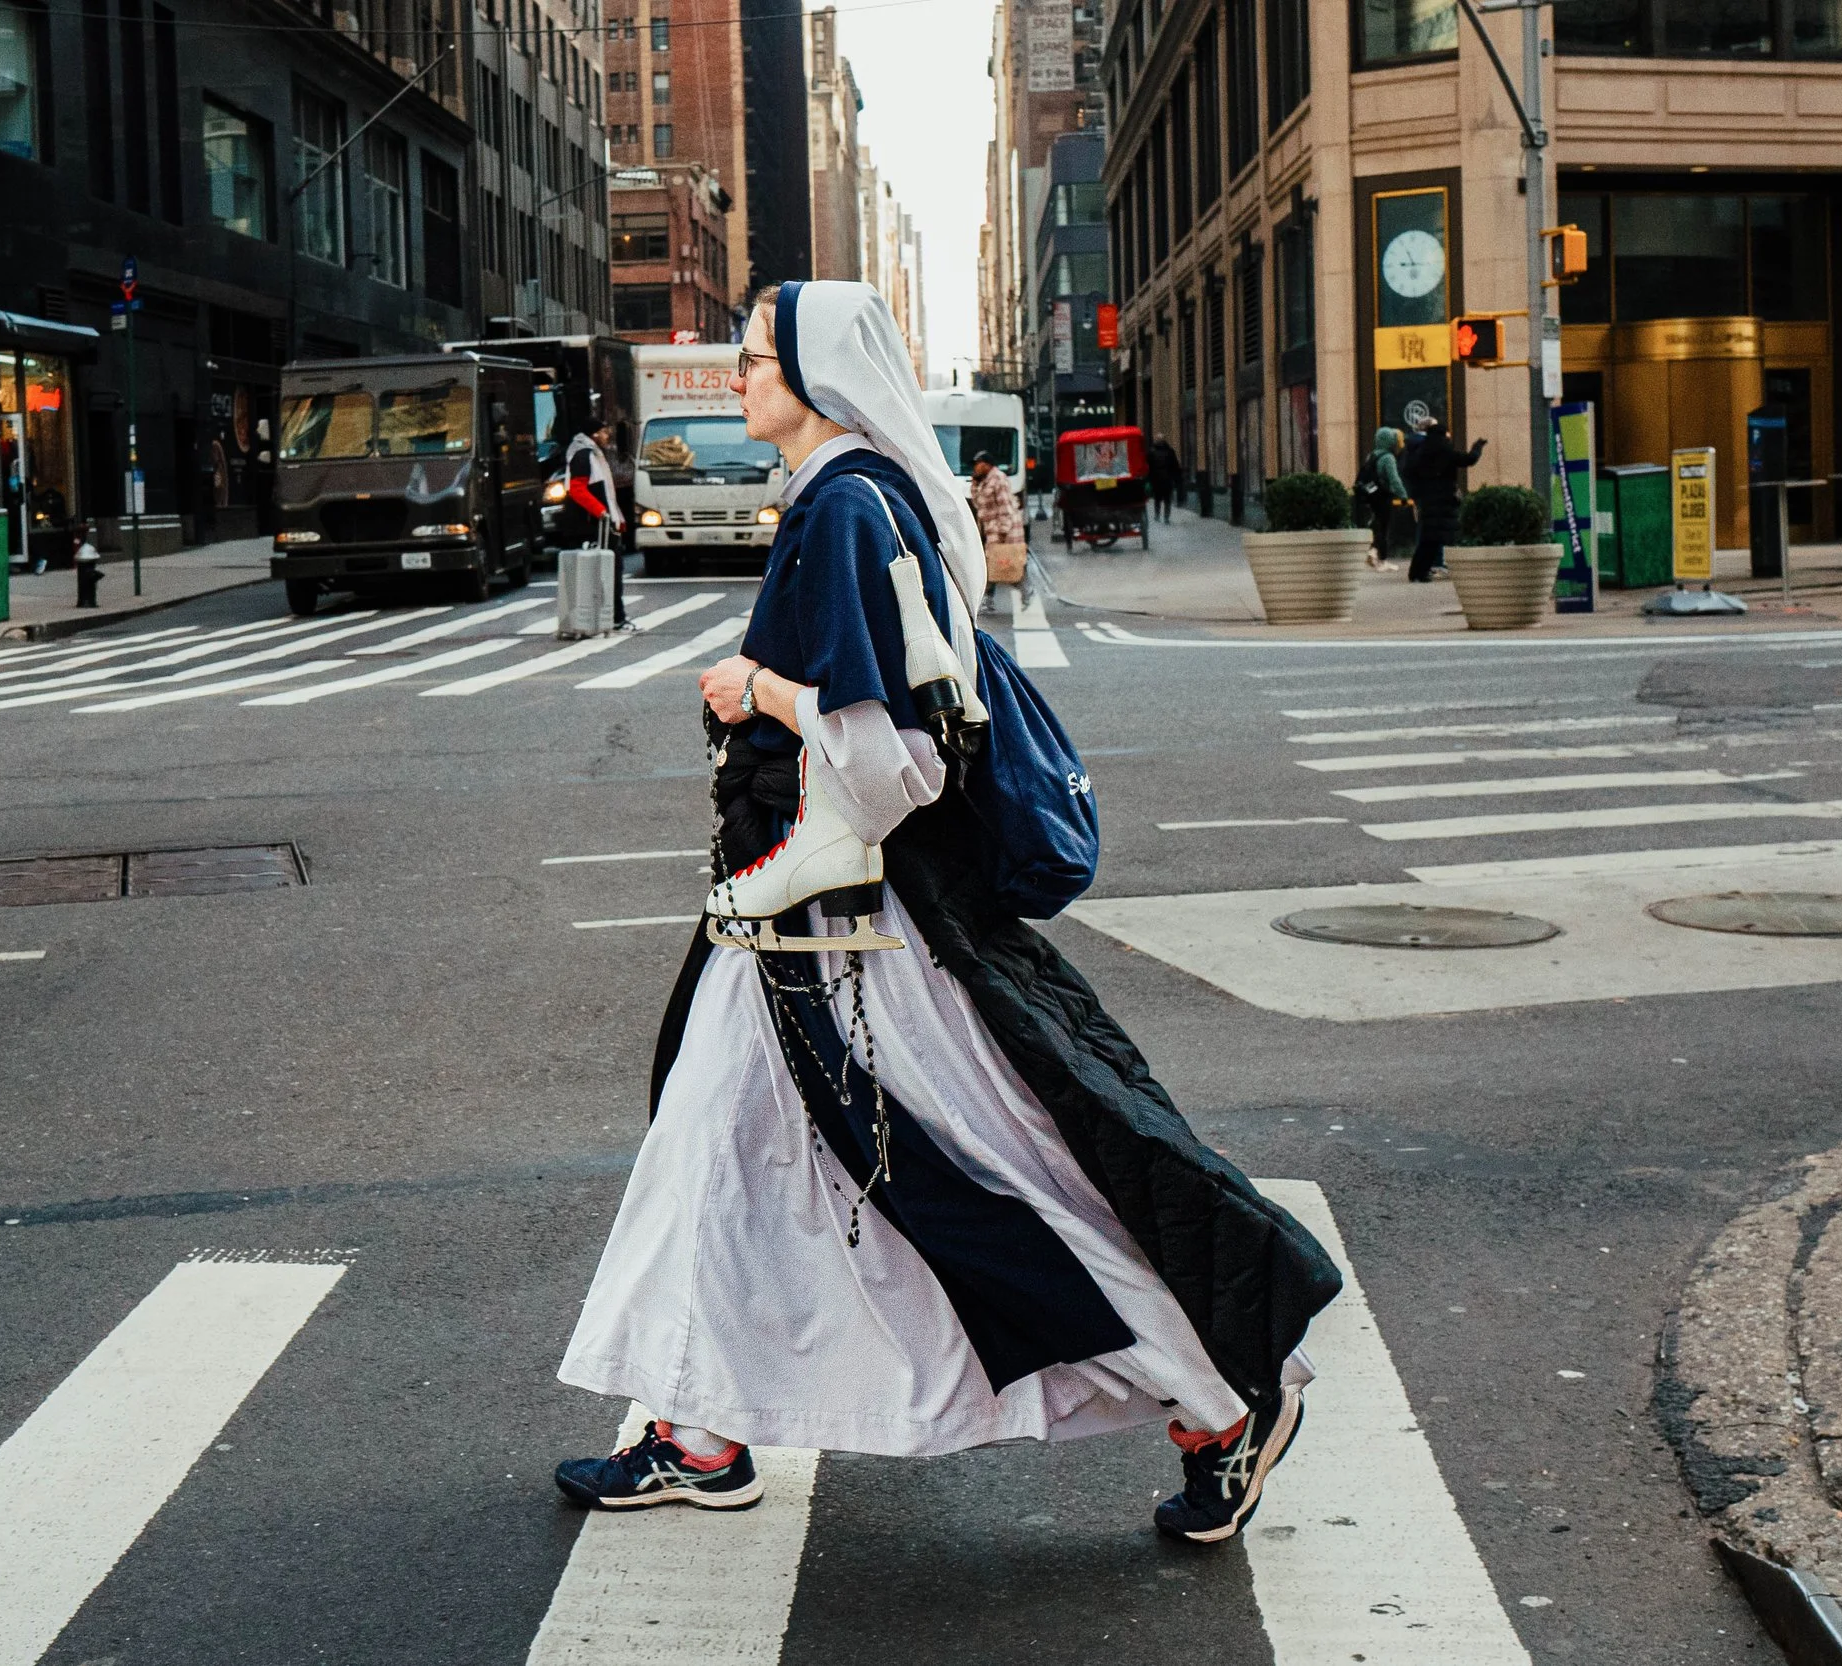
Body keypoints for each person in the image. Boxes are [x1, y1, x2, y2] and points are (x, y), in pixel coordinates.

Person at [550, 279, 1339, 1545]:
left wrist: (758, 687)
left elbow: (890, 756)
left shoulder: (848, 509)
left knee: (986, 1174)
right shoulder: (852, 497)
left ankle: (1219, 1400)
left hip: (853, 930)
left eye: (755, 361)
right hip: (813, 916)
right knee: (726, 1150)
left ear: (817, 377)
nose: (738, 379)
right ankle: (696, 1429)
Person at [556, 420, 628, 627]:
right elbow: (577, 489)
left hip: (602, 523)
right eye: (604, 432)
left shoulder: (591, 454)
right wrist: (602, 513)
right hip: (595, 525)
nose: (607, 436)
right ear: (594, 434)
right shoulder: (584, 455)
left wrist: (616, 518)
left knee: (612, 569)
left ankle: (614, 616)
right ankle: (614, 617)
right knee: (609, 571)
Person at [1402, 414, 1485, 584]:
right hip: (1444, 499)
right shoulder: (1445, 450)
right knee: (1441, 536)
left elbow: (1409, 471)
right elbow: (1468, 459)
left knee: (1427, 538)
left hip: (1427, 499)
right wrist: (1478, 447)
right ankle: (1427, 569)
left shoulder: (1421, 450)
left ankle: (1417, 571)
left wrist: (1417, 491)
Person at [968, 452, 1029, 616]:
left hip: (1002, 530)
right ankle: (1024, 591)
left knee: (998, 564)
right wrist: (974, 484)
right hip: (991, 529)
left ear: (987, 464)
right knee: (1000, 564)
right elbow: (978, 503)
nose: (975, 467)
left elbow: (1005, 506)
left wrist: (1003, 531)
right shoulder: (984, 480)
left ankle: (991, 599)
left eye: (978, 463)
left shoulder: (998, 479)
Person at [1354, 427, 1408, 572]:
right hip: (1383, 496)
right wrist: (1403, 496)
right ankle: (1381, 560)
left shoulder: (1372, 455)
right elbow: (1394, 480)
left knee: (1377, 525)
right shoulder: (1388, 458)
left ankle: (1374, 551)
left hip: (1371, 495)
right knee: (1384, 528)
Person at [1148, 433, 1182, 522]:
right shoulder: (1170, 451)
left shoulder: (1152, 452)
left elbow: (1148, 467)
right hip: (1167, 479)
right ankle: (1166, 517)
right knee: (1167, 499)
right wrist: (1177, 478)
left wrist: (1149, 479)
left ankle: (1157, 515)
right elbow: (1175, 466)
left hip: (1156, 479)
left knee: (1157, 498)